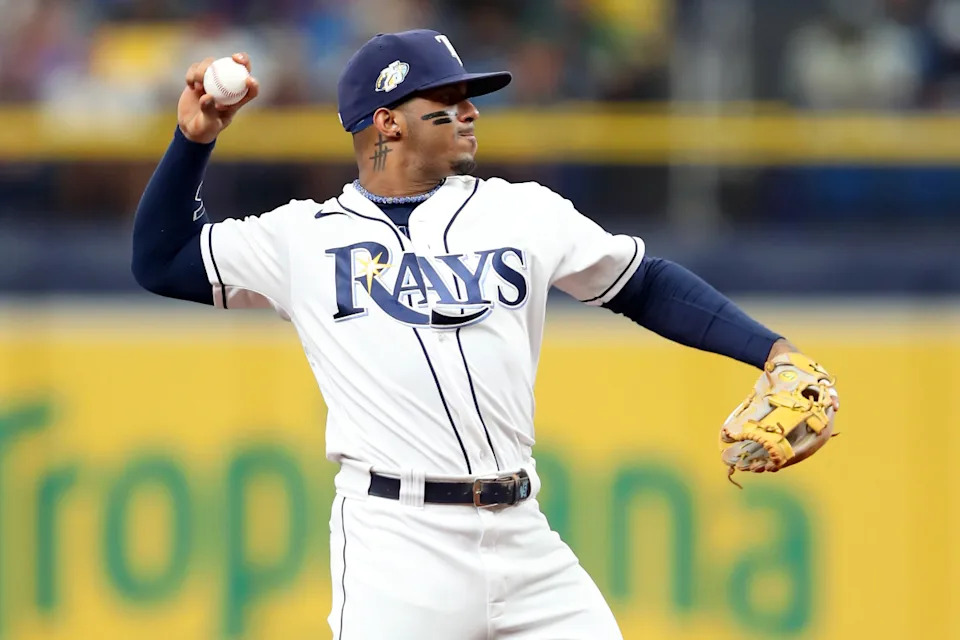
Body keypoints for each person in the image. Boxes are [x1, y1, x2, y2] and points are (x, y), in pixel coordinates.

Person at [132, 29, 824, 639]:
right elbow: (161, 260)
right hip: (395, 543)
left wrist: (773, 351)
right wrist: (194, 142)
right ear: (387, 123)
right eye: (446, 97)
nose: (469, 111)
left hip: (522, 532)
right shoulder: (299, 238)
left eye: (470, 96)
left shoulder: (520, 211)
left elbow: (642, 282)